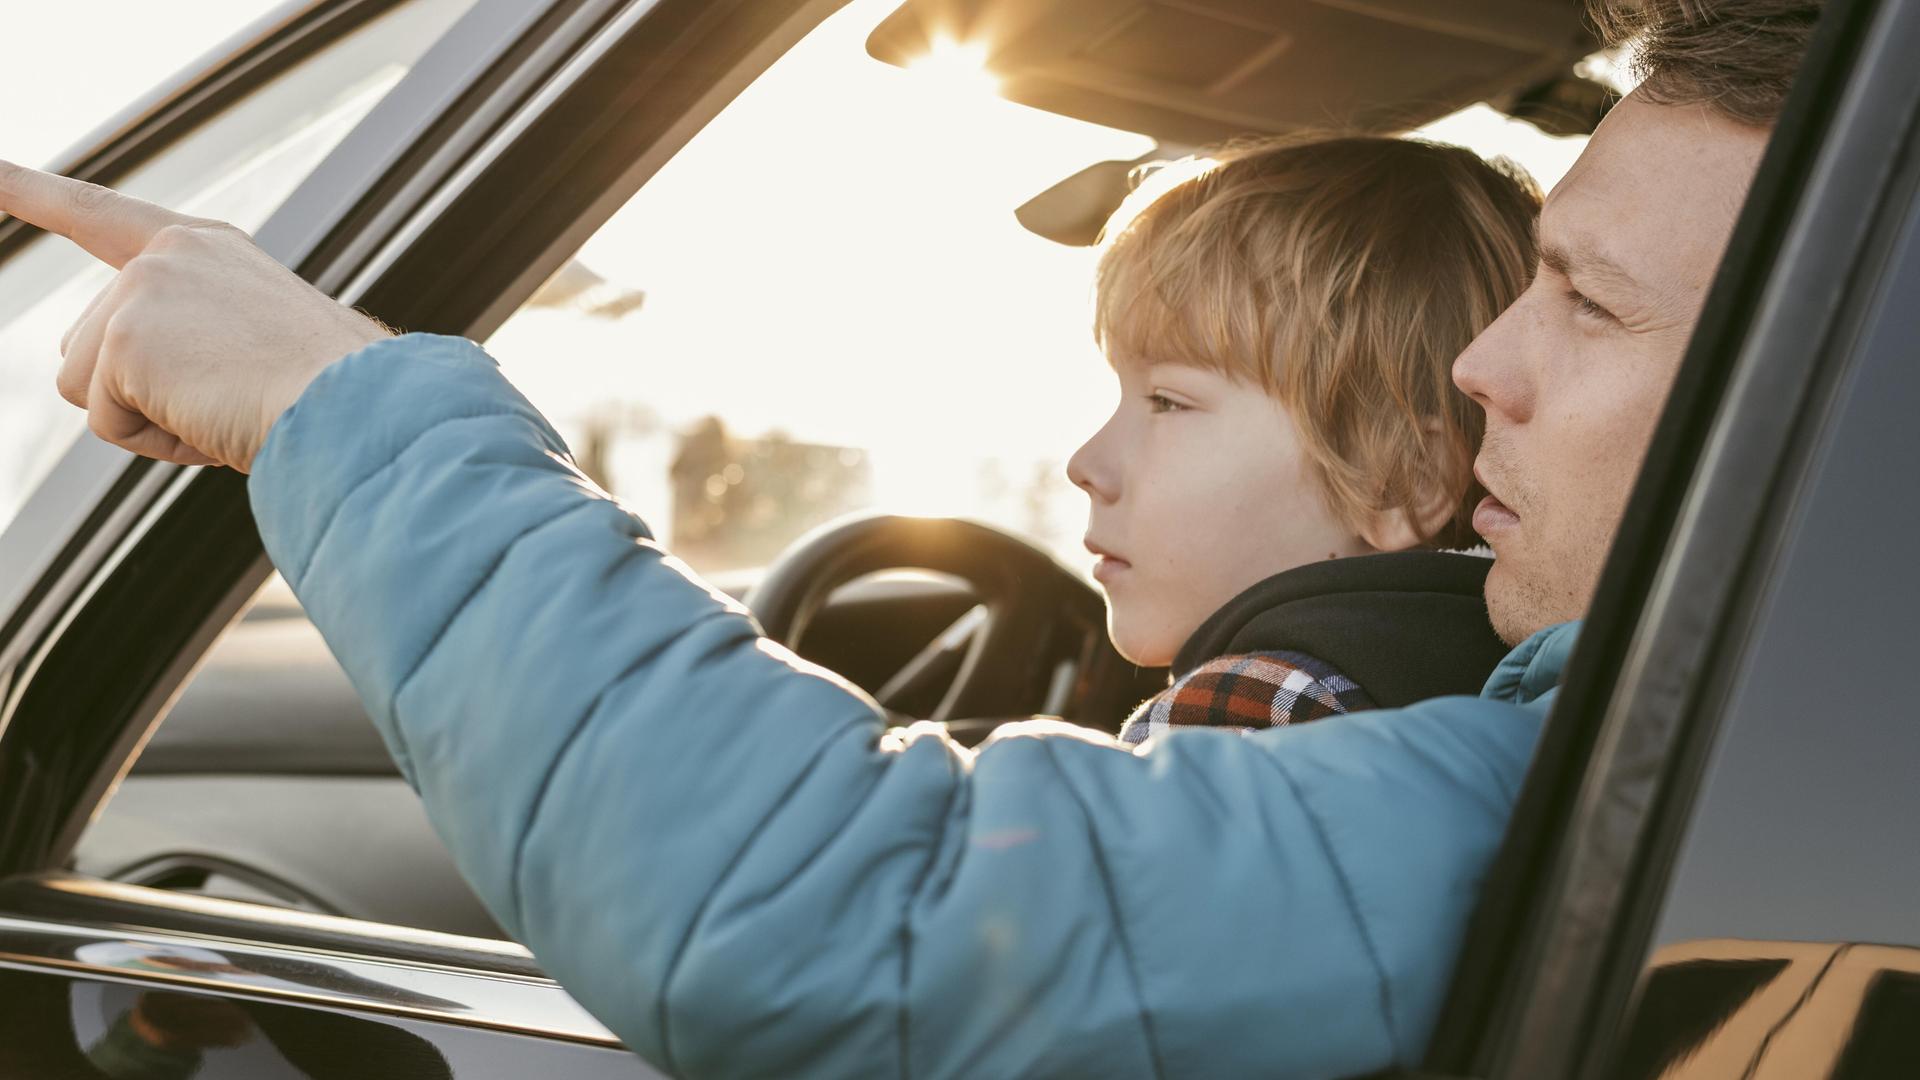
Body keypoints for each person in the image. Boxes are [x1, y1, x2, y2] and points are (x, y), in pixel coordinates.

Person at [0, 0, 1819, 1074]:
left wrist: (339, 402)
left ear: (1813, 370)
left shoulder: (1426, 741)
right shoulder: (1664, 738)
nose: (1491, 364)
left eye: (1586, 305)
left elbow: (860, 907)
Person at [1070, 134, 1534, 743]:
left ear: (1398, 482)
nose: (1085, 465)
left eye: (1167, 401)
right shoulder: (1495, 688)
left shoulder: (1251, 709)